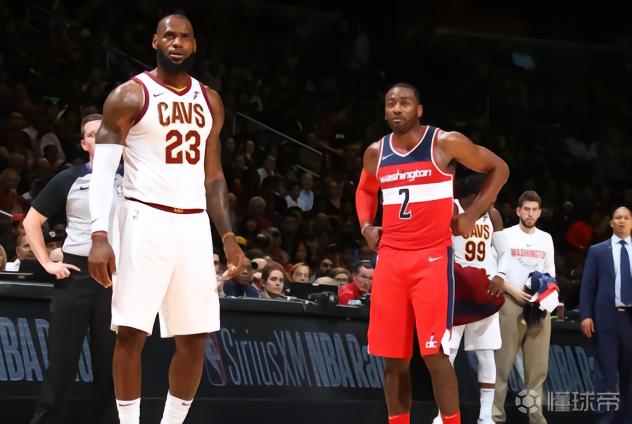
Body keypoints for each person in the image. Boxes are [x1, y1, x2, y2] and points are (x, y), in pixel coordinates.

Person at [87, 14, 244, 424]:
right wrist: (99, 235)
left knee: (195, 337)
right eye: (169, 35)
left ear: (195, 45)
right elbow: (103, 173)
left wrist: (228, 237)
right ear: (154, 41)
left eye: (185, 37)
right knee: (130, 333)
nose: (177, 42)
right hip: (143, 218)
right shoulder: (129, 95)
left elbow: (214, 176)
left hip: (193, 225)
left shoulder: (210, 100)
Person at [356, 83, 509, 424]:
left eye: (405, 102)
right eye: (391, 103)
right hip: (391, 261)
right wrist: (366, 226)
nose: (397, 108)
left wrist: (471, 215)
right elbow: (365, 189)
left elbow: (499, 168)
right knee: (393, 360)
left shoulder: (444, 142)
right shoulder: (376, 152)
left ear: (419, 110)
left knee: (435, 354)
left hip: (432, 260)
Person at [23, 114, 120, 423]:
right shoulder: (69, 179)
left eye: (105, 132)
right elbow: (31, 221)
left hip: (117, 277)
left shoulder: (131, 179)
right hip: (76, 272)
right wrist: (47, 263)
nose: (99, 137)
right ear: (84, 143)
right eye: (92, 134)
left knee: (111, 364)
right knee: (62, 361)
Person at [433, 174, 504, 424]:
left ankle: (486, 416)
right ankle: (443, 414)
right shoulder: (451, 208)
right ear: (479, 194)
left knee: (486, 353)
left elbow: (503, 251)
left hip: (484, 289)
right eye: (491, 194)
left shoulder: (493, 215)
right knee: (448, 353)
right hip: (457, 288)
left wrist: (501, 275)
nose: (494, 199)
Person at [488, 191, 555, 424]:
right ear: (518, 211)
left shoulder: (546, 238)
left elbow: (550, 273)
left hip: (539, 306)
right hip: (511, 303)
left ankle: (536, 418)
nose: (530, 214)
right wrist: (511, 289)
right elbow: (492, 271)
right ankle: (494, 417)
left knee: (537, 369)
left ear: (540, 212)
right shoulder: (504, 236)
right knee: (502, 366)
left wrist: (546, 298)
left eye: (534, 210)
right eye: (526, 209)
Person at [580, 206, 632, 423]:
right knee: (606, 373)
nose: (622, 221)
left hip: (630, 319)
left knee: (629, 373)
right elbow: (588, 286)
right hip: (607, 318)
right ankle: (606, 419)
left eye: (626, 218)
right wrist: (586, 315)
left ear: (631, 222)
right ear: (611, 223)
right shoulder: (598, 251)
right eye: (618, 218)